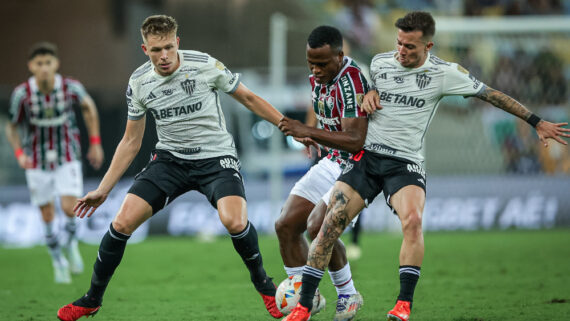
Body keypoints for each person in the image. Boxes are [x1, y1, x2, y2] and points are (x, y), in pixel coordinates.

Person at [281, 11, 570, 321]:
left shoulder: (445, 73)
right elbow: (363, 92)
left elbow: (492, 95)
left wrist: (536, 121)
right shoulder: (379, 63)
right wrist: (371, 94)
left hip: (405, 163)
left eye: (410, 47)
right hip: (367, 159)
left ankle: (403, 305)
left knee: (413, 221)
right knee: (326, 226)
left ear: (428, 46)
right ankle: (303, 307)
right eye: (399, 44)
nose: (401, 52)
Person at [57, 15, 285, 321]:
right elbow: (130, 141)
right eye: (155, 50)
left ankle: (264, 285)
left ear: (177, 43)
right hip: (170, 160)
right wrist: (103, 189)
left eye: (168, 47)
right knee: (122, 223)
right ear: (144, 49)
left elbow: (248, 97)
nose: (163, 56)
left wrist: (288, 125)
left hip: (215, 158)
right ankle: (91, 299)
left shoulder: (204, 65)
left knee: (234, 221)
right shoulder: (139, 82)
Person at [275, 25, 368, 321]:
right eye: (310, 63)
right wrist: (313, 135)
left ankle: (347, 294)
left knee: (318, 226)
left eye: (322, 63)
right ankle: (307, 295)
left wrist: (307, 129)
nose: (315, 69)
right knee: (286, 225)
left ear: (340, 56)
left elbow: (356, 139)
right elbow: (330, 124)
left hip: (359, 165)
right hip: (331, 161)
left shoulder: (351, 81)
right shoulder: (320, 75)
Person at [6, 42, 104, 284]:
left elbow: (89, 107)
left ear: (56, 64)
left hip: (67, 156)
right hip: (36, 161)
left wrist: (95, 141)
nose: (44, 68)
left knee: (70, 207)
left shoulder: (70, 87)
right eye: (39, 64)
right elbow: (12, 126)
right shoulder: (22, 94)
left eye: (48, 63)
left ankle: (70, 244)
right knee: (47, 214)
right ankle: (57, 260)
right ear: (31, 66)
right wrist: (19, 153)